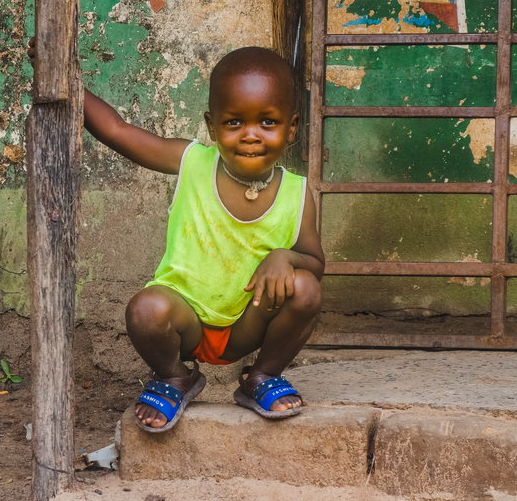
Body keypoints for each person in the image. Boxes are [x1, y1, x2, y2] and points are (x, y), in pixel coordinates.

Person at [31, 42, 324, 432]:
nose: (250, 135)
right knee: (145, 309)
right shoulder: (192, 162)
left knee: (305, 288)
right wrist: (63, 75)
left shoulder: (297, 193)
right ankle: (174, 377)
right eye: (234, 122)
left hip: (246, 324)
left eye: (267, 123)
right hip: (185, 322)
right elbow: (117, 131)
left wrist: (286, 257)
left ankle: (262, 377)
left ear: (291, 128)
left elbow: (315, 264)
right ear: (211, 125)